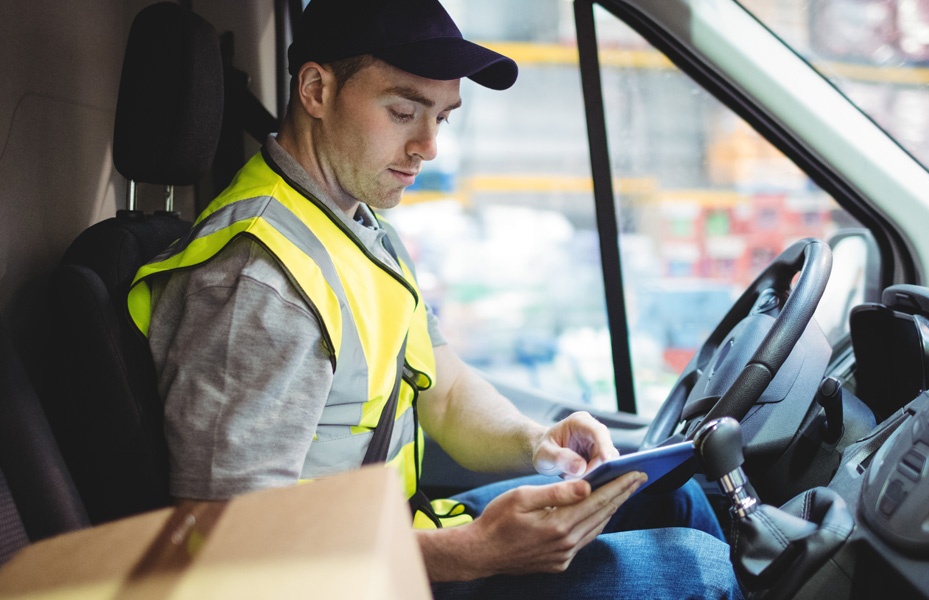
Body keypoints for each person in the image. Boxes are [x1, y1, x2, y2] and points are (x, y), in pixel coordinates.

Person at [127, 0, 741, 597]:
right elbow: (225, 543)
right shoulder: (259, 280)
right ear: (315, 91)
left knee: (670, 496)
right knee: (696, 570)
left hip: (396, 535)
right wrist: (474, 554)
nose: (429, 145)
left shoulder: (356, 231)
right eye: (403, 112)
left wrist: (539, 442)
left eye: (442, 118)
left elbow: (443, 393)